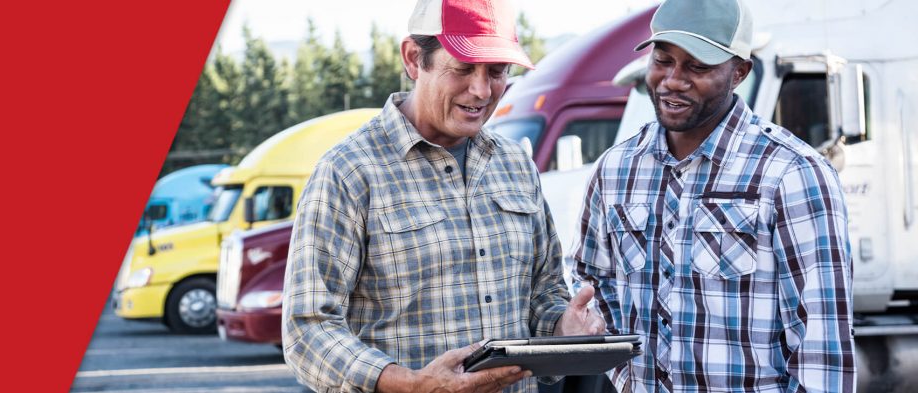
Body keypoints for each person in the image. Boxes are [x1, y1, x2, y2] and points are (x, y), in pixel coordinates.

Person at [282, 0, 605, 392]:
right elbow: (308, 329)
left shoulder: (516, 165)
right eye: (464, 68)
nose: (482, 90)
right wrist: (412, 385)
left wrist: (563, 327)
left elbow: (544, 292)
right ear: (414, 58)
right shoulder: (349, 172)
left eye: (497, 71)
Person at [570, 0, 855, 391]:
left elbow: (821, 344)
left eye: (697, 67)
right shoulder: (615, 170)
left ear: (739, 72)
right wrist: (626, 372)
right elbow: (591, 277)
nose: (673, 80)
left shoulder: (792, 173)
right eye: (663, 59)